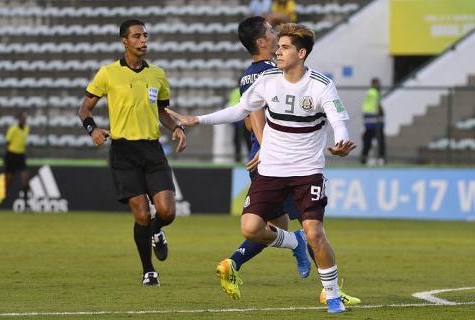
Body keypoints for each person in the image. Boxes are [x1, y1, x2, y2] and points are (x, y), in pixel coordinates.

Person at [167, 23, 357, 313]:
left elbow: (339, 121)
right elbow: (241, 109)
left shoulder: (321, 85)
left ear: (301, 53)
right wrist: (197, 119)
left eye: (284, 48)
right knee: (251, 227)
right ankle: (294, 242)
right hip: (271, 170)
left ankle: (331, 295)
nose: (277, 52)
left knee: (315, 233)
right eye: (277, 46)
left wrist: (342, 142)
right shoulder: (267, 79)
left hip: (307, 171)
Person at [217, 16, 360, 306]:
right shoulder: (270, 73)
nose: (277, 44)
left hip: (274, 159)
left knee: (286, 227)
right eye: (272, 34)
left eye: (284, 44)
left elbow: (248, 118)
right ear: (262, 42)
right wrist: (265, 146)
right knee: (308, 230)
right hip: (275, 160)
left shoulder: (249, 74)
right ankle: (327, 289)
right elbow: (251, 114)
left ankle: (240, 262)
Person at [78, 19, 186, 286]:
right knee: (141, 215)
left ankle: (156, 231)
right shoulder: (107, 73)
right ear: (124, 41)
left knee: (167, 211)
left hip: (152, 150)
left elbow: (162, 111)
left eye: (146, 36)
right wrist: (92, 129)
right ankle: (148, 270)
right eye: (137, 36)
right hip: (124, 152)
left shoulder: (158, 75)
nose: (143, 40)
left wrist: (177, 128)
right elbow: (84, 108)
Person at [0, 112, 30, 208]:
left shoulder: (27, 129)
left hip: (21, 155)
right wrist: (5, 159)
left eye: (25, 118)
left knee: (25, 178)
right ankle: (1, 196)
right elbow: (7, 144)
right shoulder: (13, 129)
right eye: (23, 118)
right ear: (19, 119)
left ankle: (26, 204)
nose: (25, 120)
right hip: (11, 155)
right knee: (9, 180)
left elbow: (23, 142)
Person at [360, 78, 386, 165]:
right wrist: (381, 112)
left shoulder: (370, 92)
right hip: (373, 118)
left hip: (369, 119)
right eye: (377, 83)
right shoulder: (374, 92)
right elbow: (377, 105)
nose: (379, 85)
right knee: (379, 139)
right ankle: (381, 158)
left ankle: (364, 158)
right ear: (373, 84)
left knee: (368, 139)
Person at [228, 87, 252, 162]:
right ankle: (250, 157)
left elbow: (231, 105)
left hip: (236, 119)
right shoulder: (247, 89)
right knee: (247, 139)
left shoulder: (234, 91)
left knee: (237, 140)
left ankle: (237, 158)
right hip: (244, 118)